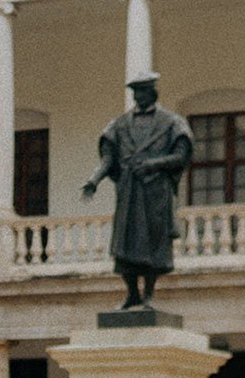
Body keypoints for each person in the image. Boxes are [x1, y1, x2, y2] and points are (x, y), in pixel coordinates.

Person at [82, 71, 193, 310]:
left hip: (155, 191)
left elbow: (182, 155)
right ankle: (132, 293)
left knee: (153, 245)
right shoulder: (119, 124)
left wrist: (154, 164)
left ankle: (149, 295)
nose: (138, 96)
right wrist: (94, 180)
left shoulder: (171, 122)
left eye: (142, 91)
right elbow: (108, 159)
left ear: (153, 92)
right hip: (129, 191)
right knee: (124, 247)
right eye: (135, 92)